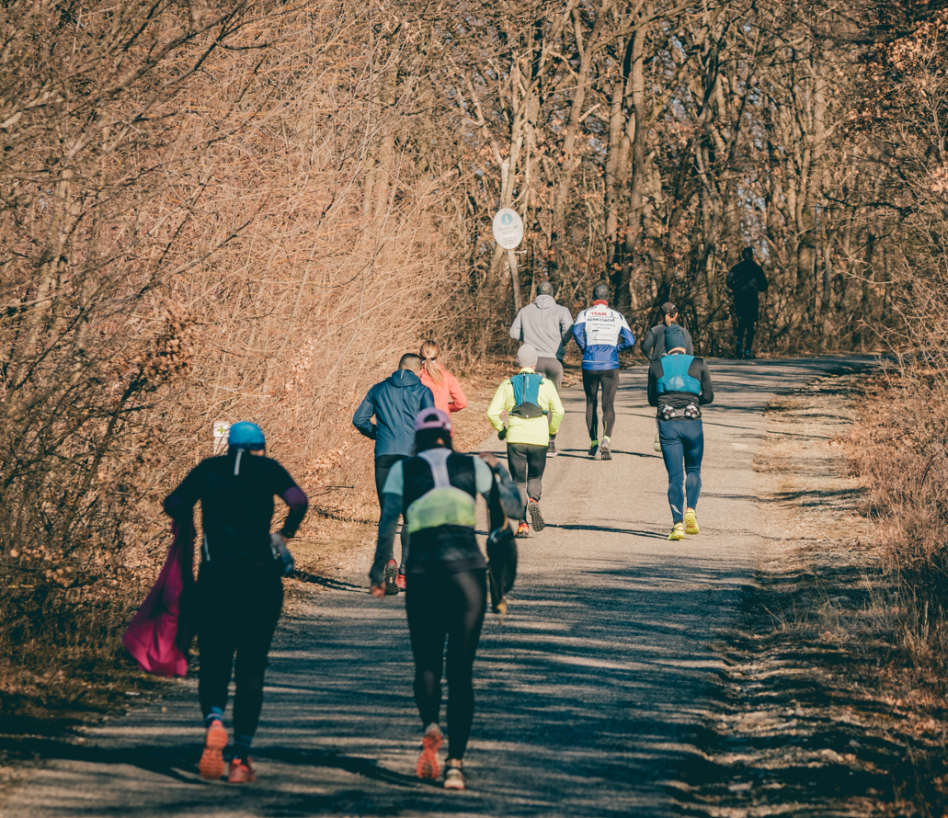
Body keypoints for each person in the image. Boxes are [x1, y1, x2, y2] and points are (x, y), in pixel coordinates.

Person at [369, 408, 521, 791]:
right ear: (449, 435)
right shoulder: (474, 465)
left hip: (422, 574)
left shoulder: (404, 470)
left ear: (417, 438)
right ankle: (454, 766)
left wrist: (377, 573)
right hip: (468, 574)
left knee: (427, 662)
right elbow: (513, 512)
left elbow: (388, 521)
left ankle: (430, 726)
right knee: (461, 671)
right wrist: (499, 470)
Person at [163, 421, 309, 784]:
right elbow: (298, 500)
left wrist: (187, 523)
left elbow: (174, 501)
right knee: (251, 668)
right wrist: (285, 534)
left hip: (216, 579)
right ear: (260, 446)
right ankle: (241, 758)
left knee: (214, 659)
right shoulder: (268, 468)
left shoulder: (208, 468)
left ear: (230, 447)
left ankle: (214, 721)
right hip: (260, 579)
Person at [353, 353, 435, 593]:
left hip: (385, 457)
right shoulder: (422, 391)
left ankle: (389, 560)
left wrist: (377, 434)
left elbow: (359, 419)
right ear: (419, 369)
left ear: (398, 368)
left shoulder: (378, 389)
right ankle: (404, 574)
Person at [486, 344, 564, 538]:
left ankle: (522, 524)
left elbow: (492, 412)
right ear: (535, 363)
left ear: (517, 362)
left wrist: (502, 430)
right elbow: (559, 411)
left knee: (518, 481)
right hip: (539, 437)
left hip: (516, 438)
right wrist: (551, 430)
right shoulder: (545, 384)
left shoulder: (507, 384)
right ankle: (534, 502)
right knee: (535, 478)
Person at [647, 326, 714, 540]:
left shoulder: (656, 365)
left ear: (666, 346)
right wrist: (694, 402)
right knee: (693, 469)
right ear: (685, 344)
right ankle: (691, 510)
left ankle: (677, 525)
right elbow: (709, 396)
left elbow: (651, 399)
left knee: (674, 477)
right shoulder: (699, 363)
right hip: (692, 422)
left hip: (668, 424)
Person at [572, 282, 635, 460]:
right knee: (608, 405)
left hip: (590, 364)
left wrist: (585, 347)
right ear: (608, 298)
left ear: (593, 297)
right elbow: (630, 340)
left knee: (591, 402)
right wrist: (617, 348)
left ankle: (593, 442)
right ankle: (606, 440)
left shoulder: (584, 314)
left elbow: (576, 332)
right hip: (610, 364)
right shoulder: (617, 316)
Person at [509, 281, 573, 456]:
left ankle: (533, 441)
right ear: (552, 294)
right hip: (555, 361)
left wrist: (528, 337)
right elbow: (570, 330)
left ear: (536, 294)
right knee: (551, 402)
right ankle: (550, 443)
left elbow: (513, 333)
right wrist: (561, 343)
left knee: (533, 401)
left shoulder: (525, 311)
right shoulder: (562, 311)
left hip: (533, 361)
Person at [641, 303, 695, 452]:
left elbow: (645, 346)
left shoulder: (655, 330)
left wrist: (653, 360)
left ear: (660, 315)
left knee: (661, 402)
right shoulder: (683, 331)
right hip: (680, 371)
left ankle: (661, 434)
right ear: (676, 315)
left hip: (659, 370)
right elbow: (690, 353)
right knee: (680, 401)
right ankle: (679, 435)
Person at [726, 247, 768, 358]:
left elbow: (728, 281)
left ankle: (739, 342)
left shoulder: (736, 268)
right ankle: (748, 350)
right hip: (752, 299)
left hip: (739, 298)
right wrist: (756, 287)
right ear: (753, 255)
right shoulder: (757, 269)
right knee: (751, 324)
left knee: (741, 321)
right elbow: (764, 285)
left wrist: (736, 288)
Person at [419, 340, 468, 418]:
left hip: (420, 423)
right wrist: (448, 407)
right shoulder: (448, 377)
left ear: (420, 356)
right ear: (438, 357)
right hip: (442, 423)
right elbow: (462, 402)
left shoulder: (416, 376)